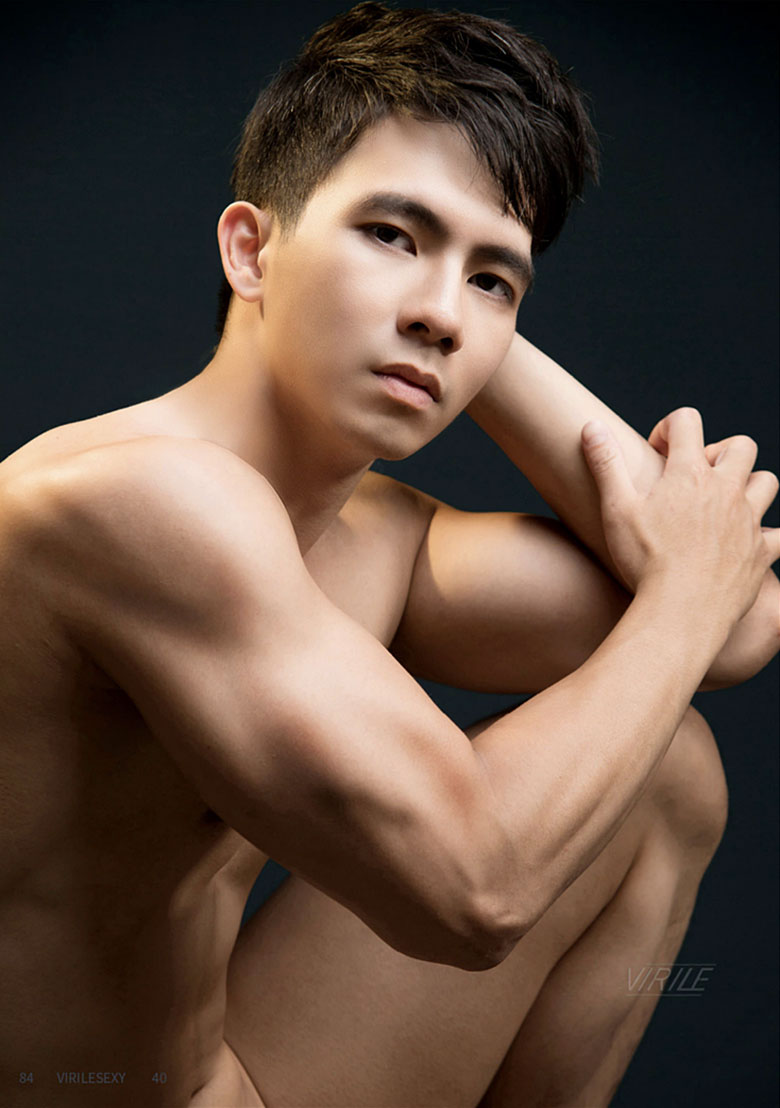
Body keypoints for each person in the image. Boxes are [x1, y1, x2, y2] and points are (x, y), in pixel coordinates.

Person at [1, 3, 777, 1105]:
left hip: (222, 1086)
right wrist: (690, 586)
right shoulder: (136, 502)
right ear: (251, 248)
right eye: (390, 233)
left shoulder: (381, 536)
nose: (441, 314)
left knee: (666, 766)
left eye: (495, 281)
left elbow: (736, 628)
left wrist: (450, 314)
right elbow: (477, 894)